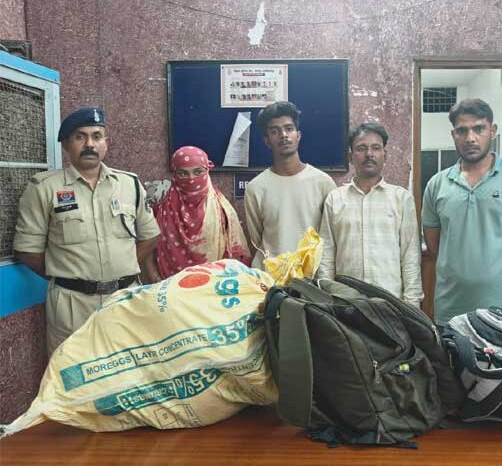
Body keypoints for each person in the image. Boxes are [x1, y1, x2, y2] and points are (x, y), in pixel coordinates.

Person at [13, 107, 160, 354]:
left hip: (124, 298)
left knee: (128, 367)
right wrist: (68, 276)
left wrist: (123, 269)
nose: (90, 144)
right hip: (72, 306)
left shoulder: (130, 185)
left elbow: (150, 235)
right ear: (66, 144)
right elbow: (28, 251)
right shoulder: (44, 188)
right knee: (73, 370)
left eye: (96, 136)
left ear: (106, 143)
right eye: (80, 137)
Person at [421, 98, 502, 325]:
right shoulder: (437, 185)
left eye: (479, 129)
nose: (470, 138)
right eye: (462, 131)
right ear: (453, 135)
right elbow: (435, 248)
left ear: (492, 131)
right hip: (453, 311)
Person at [318, 122, 423, 307]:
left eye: (376, 148)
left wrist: (411, 305)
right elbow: (326, 256)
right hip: (346, 305)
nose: (369, 154)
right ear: (350, 157)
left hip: (390, 305)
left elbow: (410, 258)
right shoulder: (335, 199)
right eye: (361, 148)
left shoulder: (401, 199)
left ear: (385, 155)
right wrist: (328, 302)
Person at [244, 101, 335, 269]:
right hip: (270, 278)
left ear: (298, 135)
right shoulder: (256, 188)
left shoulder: (323, 182)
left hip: (311, 279)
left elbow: (330, 237)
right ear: (267, 141)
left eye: (289, 128)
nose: (283, 135)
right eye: (275, 131)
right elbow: (256, 240)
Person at [141, 146, 251, 282]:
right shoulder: (161, 209)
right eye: (183, 173)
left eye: (198, 172)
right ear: (175, 175)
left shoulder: (222, 209)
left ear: (207, 171)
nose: (191, 178)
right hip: (169, 285)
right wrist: (155, 278)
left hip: (214, 284)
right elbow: (148, 245)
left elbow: (235, 252)